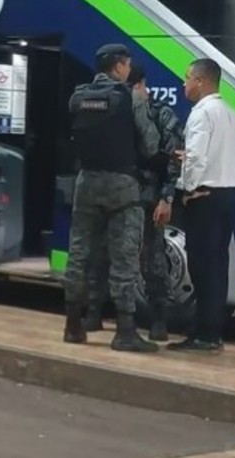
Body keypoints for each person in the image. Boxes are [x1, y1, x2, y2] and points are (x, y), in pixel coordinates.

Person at [63, 44, 160, 352]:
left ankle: (73, 326)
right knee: (124, 257)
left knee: (79, 253)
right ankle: (125, 331)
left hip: (86, 183)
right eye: (127, 64)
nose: (129, 69)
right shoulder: (131, 97)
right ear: (119, 66)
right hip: (122, 185)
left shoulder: (78, 97)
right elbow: (151, 145)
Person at [84, 63, 183, 341]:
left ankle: (158, 320)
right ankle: (95, 311)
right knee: (102, 254)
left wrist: (166, 197)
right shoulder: (114, 111)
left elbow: (173, 159)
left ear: (140, 85)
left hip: (146, 198)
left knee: (153, 258)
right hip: (114, 195)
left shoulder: (160, 113)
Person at [168, 58, 235, 352]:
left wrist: (187, 189)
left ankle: (204, 336)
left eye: (187, 78)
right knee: (219, 265)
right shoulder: (232, 114)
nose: (184, 84)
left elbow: (196, 158)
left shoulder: (201, 113)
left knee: (201, 266)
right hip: (230, 194)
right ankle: (213, 332)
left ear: (200, 81)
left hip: (205, 197)